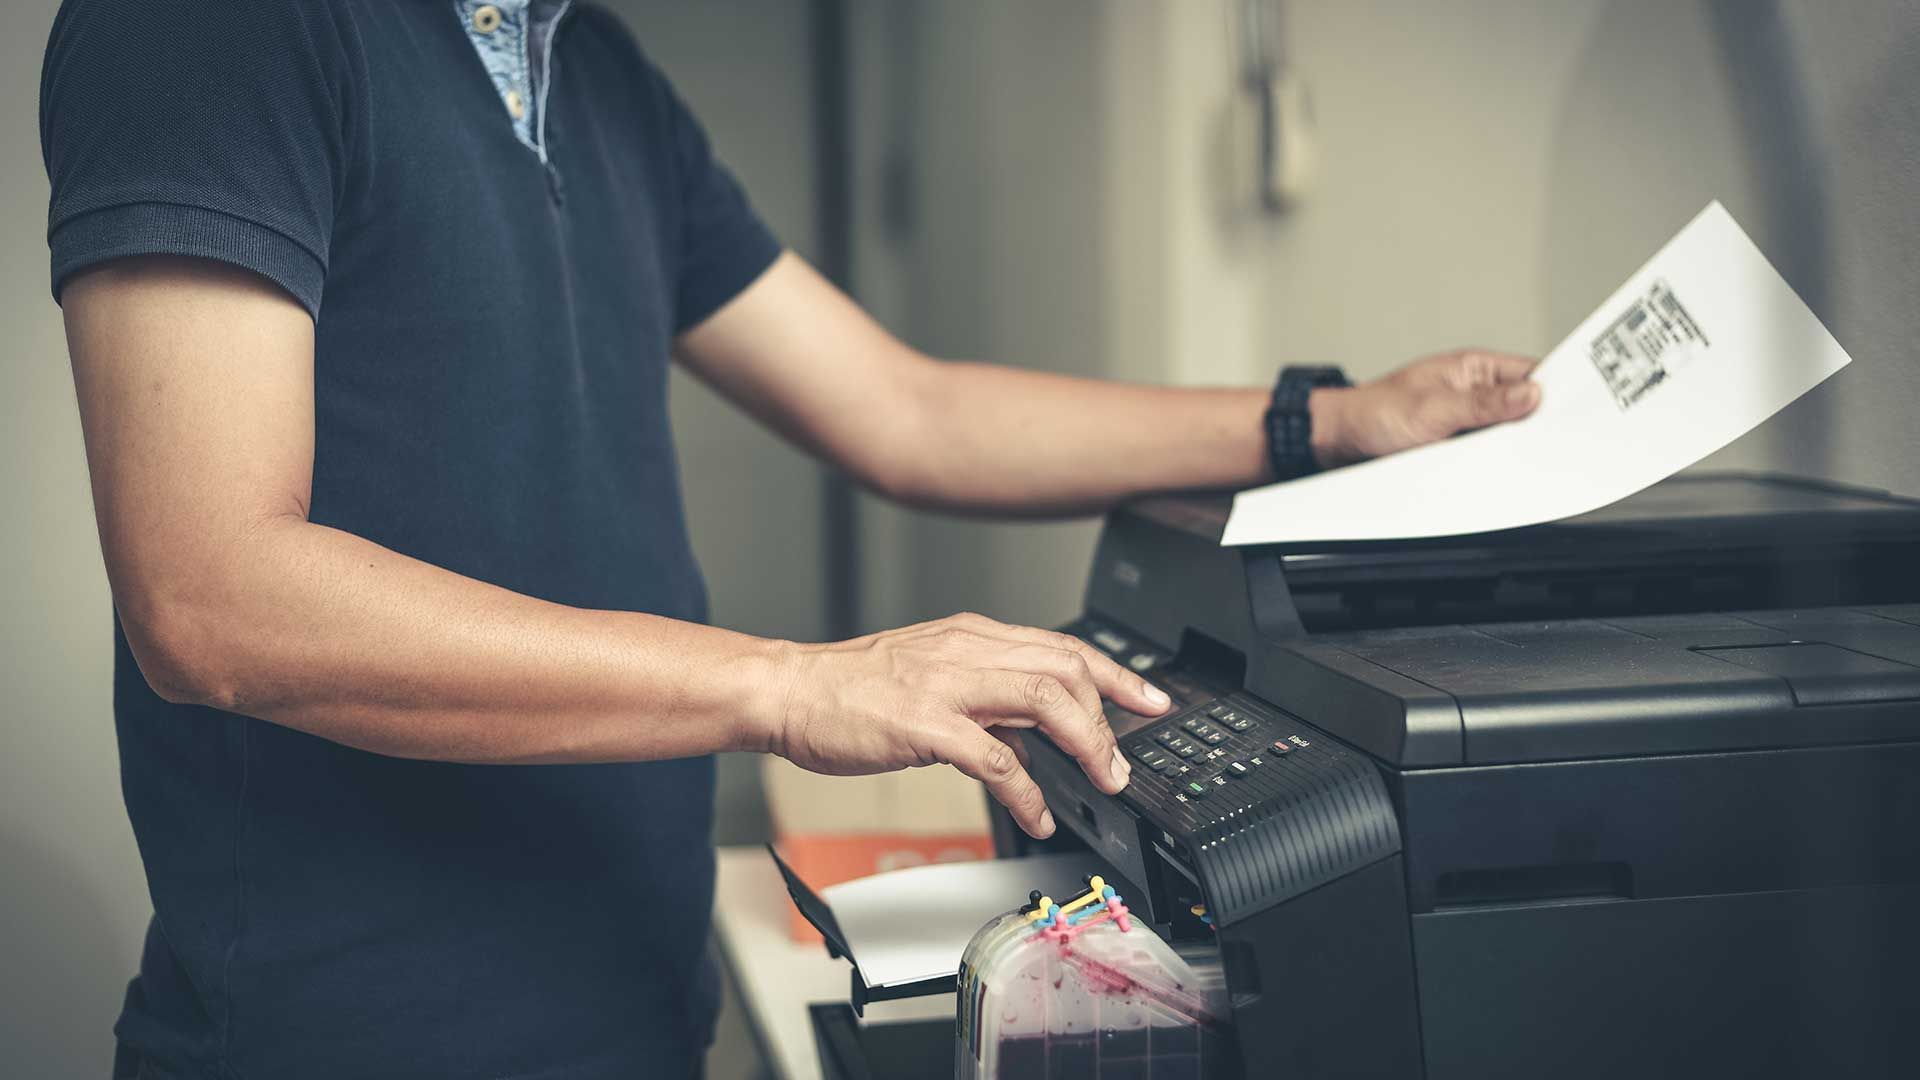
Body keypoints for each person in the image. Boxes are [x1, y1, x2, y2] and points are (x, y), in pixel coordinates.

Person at [41, 1, 1541, 1077]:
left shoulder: (602, 74)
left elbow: (911, 411)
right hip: (346, 1044)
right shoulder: (211, 28)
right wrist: (792, 683)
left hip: (633, 1015)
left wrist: (1325, 421)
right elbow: (210, 595)